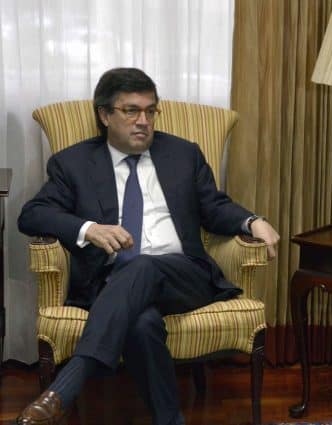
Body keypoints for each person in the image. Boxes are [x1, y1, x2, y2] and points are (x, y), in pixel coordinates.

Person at [16, 68, 280, 425]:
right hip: (111, 283)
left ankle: (66, 387)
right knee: (141, 322)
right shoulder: (74, 163)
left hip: (184, 277)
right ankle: (170, 419)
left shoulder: (183, 154)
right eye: (131, 111)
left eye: (150, 111)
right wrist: (89, 228)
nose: (143, 121)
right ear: (105, 115)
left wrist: (252, 221)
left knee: (142, 265)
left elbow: (214, 206)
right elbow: (32, 214)